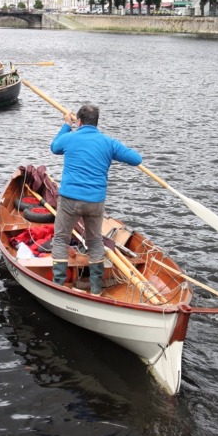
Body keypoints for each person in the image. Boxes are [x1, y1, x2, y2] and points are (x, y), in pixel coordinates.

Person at [50, 103, 142, 295]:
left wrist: (67, 125)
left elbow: (54, 147)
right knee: (94, 242)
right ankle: (96, 290)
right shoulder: (108, 142)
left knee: (60, 239)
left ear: (79, 121)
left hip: (69, 200)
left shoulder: (69, 137)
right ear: (96, 123)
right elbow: (136, 159)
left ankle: (58, 285)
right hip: (95, 202)